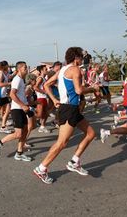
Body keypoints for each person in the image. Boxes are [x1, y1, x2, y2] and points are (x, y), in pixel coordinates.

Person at [33, 47, 98, 184]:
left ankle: (74, 162)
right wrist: (93, 88)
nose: (82, 59)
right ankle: (41, 168)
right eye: (81, 57)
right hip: (69, 109)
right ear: (76, 58)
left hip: (69, 107)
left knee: (91, 134)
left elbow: (47, 84)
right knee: (62, 143)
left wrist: (55, 99)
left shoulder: (62, 70)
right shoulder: (75, 69)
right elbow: (79, 90)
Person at [0, 61, 33, 162]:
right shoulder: (17, 80)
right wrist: (23, 105)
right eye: (24, 68)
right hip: (17, 109)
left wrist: (26, 103)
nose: (26, 70)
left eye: (26, 68)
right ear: (19, 69)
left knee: (24, 132)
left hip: (22, 108)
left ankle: (19, 153)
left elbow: (19, 94)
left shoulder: (21, 80)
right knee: (18, 134)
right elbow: (12, 94)